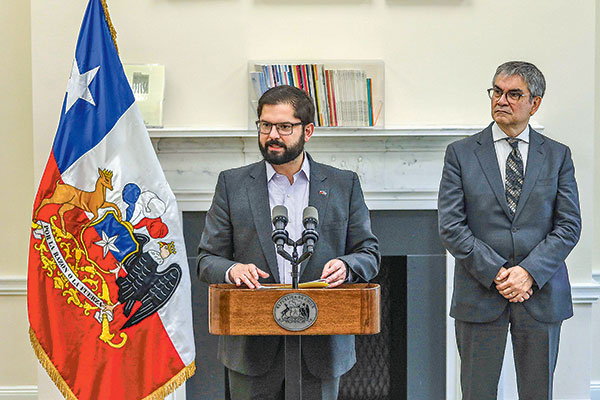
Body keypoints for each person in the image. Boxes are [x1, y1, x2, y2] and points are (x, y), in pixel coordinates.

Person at [197, 85, 380, 400]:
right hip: (252, 347)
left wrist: (347, 266)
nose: (272, 135)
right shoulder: (233, 184)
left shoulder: (342, 184)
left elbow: (369, 254)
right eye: (265, 125)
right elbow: (206, 260)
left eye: (284, 127)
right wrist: (233, 270)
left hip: (321, 346)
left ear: (307, 131)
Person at [438, 61, 581, 399]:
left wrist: (528, 273)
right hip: (480, 291)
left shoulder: (558, 156)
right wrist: (500, 273)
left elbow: (569, 225)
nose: (501, 100)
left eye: (514, 94)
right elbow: (451, 225)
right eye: (496, 92)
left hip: (541, 294)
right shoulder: (460, 154)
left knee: (537, 393)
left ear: (535, 103)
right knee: (477, 392)